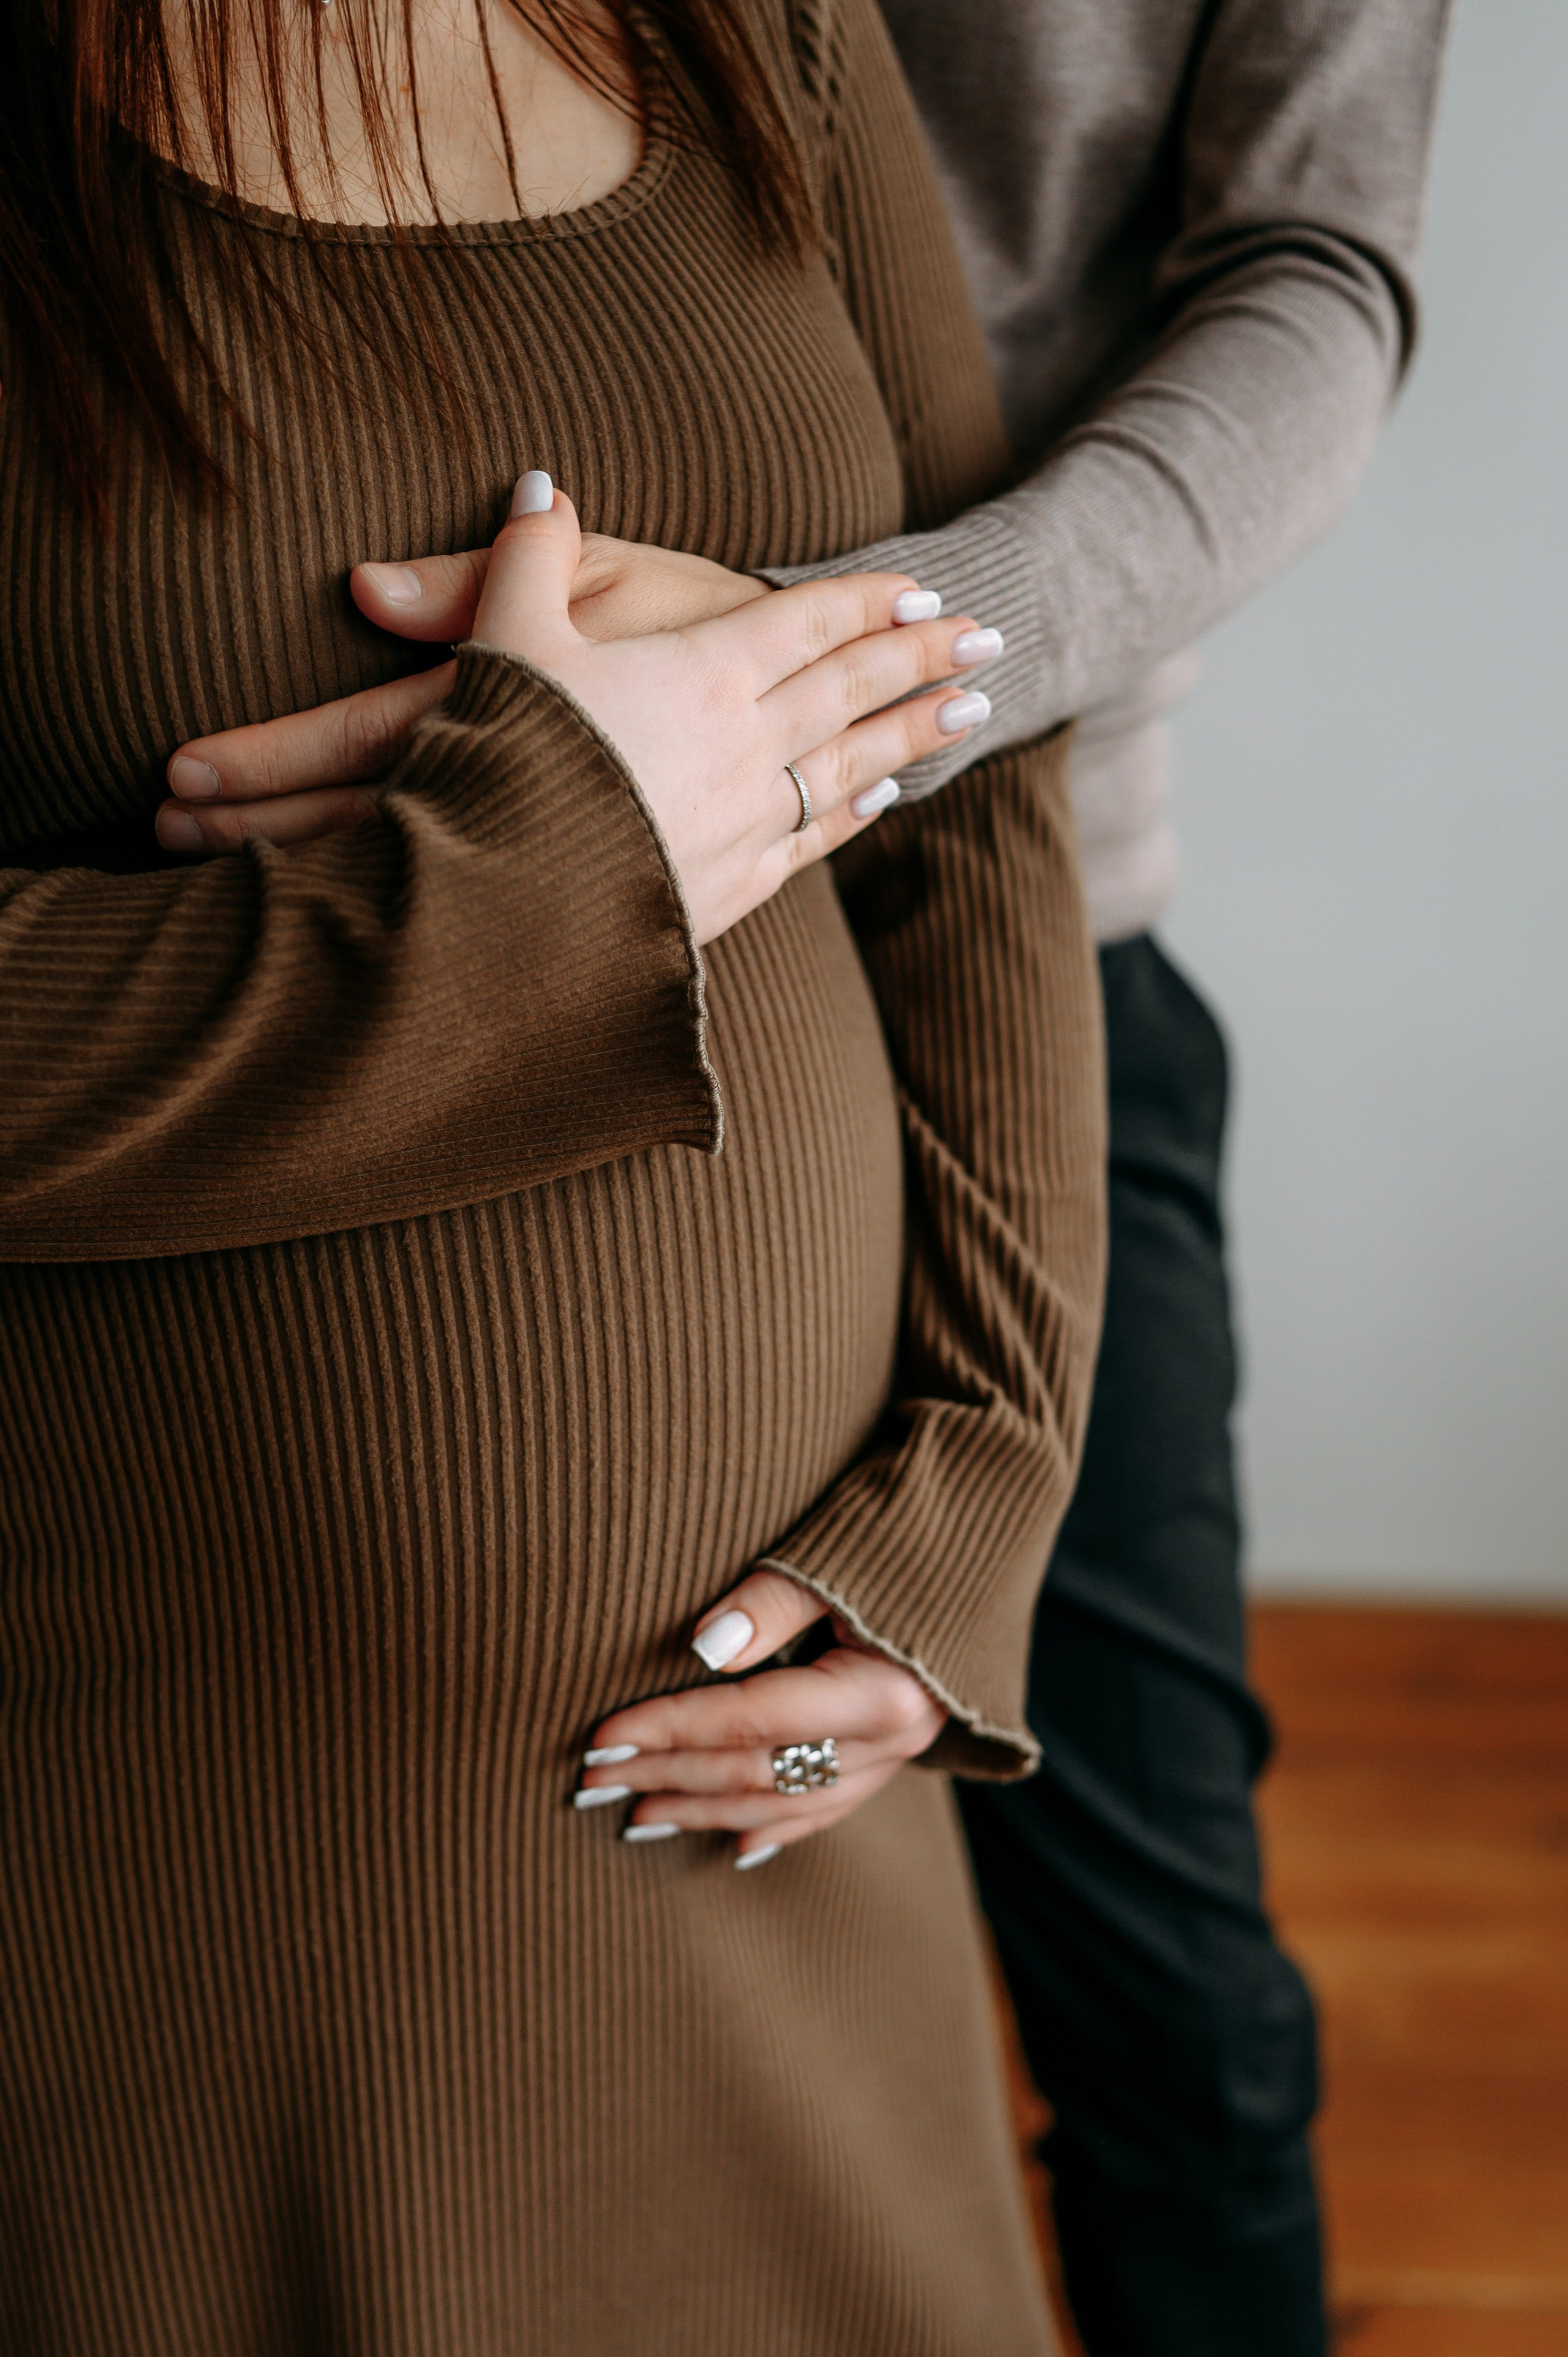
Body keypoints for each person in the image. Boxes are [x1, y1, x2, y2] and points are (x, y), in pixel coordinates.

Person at [167, 4, 1454, 2351]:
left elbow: (1315, 267)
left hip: (1015, 850)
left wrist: (880, 676)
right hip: (344, 835)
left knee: (1174, 2008)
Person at [0, 2, 1108, 2351]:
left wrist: (974, 1502)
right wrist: (522, 892)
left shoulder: (768, 33)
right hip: (168, 1892)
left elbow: (977, 779)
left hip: (764, 1815)